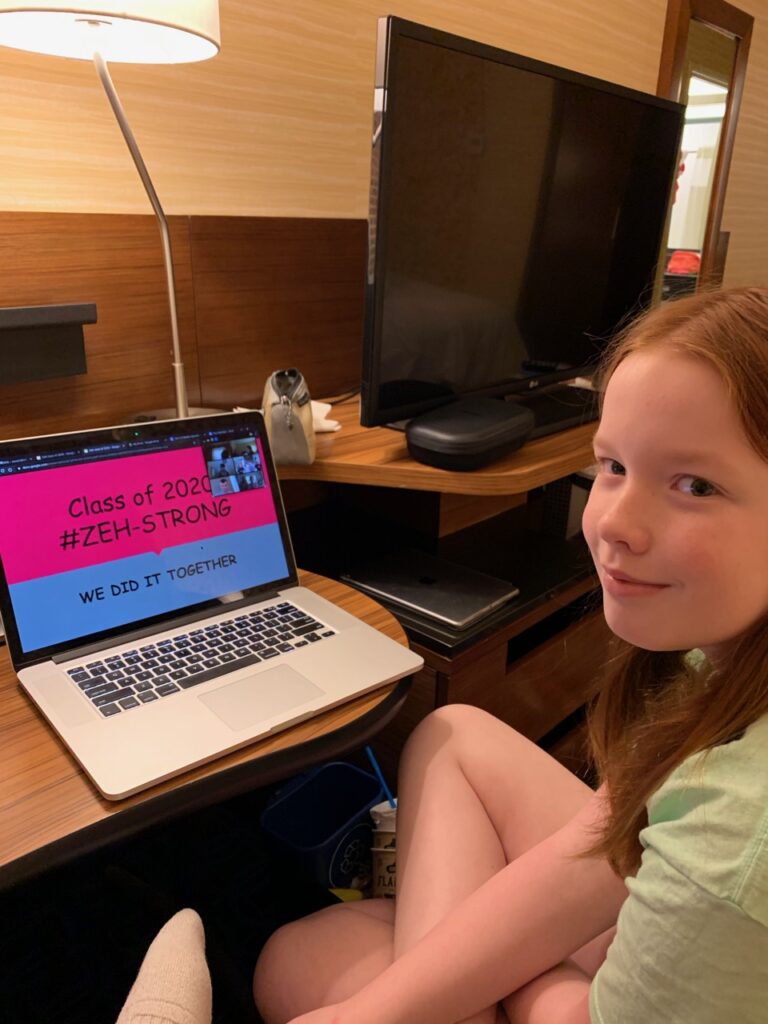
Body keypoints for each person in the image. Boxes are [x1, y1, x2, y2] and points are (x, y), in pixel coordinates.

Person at [253, 287, 768, 1024]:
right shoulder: (723, 660)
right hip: (668, 935)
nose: (614, 524)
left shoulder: (741, 846)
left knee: (303, 962)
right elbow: (617, 831)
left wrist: (520, 977)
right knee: (450, 732)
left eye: (693, 485)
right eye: (613, 465)